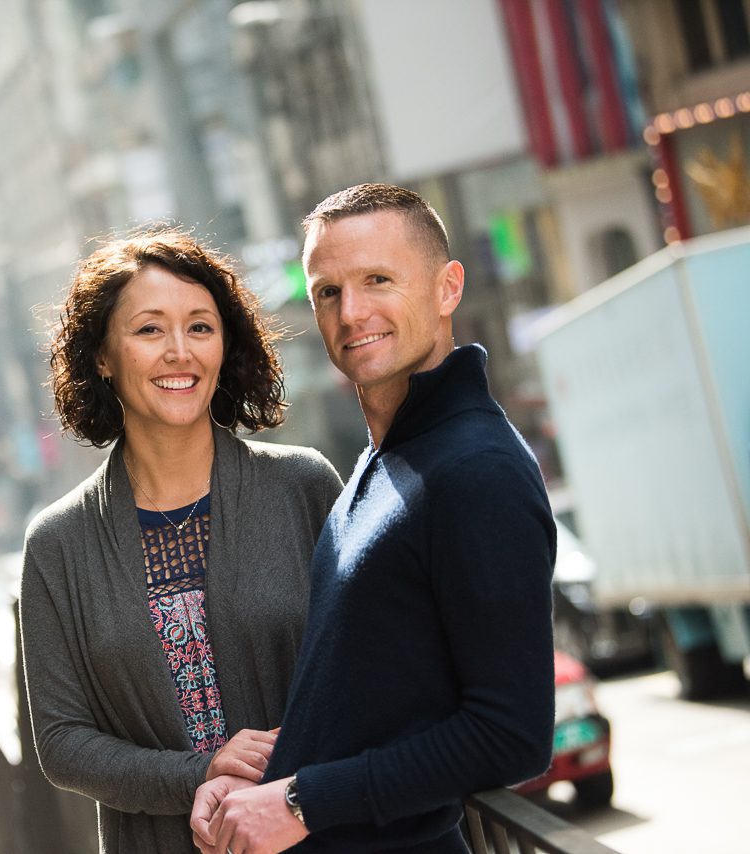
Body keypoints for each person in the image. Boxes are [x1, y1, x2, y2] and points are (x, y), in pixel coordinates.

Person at [190, 183, 557, 854]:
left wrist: (301, 802)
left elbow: (513, 734)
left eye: (378, 281)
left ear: (448, 289)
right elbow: (368, 703)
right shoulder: (387, 459)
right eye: (327, 292)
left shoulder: (477, 470)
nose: (351, 313)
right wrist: (261, 786)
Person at [19, 228, 344, 853]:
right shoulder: (58, 545)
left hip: (316, 836)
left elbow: (366, 666)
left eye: (200, 327)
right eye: (148, 330)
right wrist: (196, 773)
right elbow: (61, 742)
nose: (179, 352)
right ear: (103, 356)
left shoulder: (302, 487)